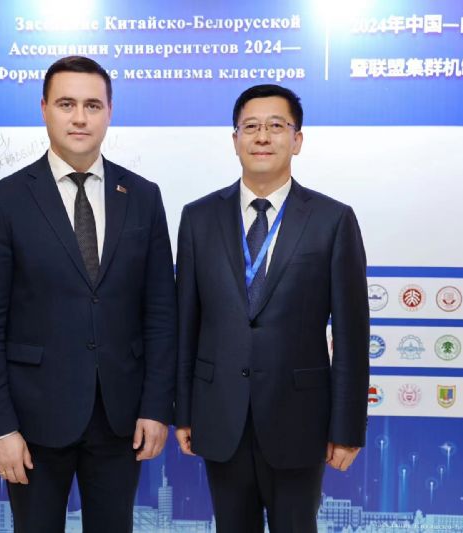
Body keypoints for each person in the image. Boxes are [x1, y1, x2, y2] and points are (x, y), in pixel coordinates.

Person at [0, 56, 176, 532]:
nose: (80, 117)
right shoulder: (5, 200)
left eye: (92, 105)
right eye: (66, 104)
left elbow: (161, 312)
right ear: (44, 109)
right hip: (32, 420)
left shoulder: (143, 196)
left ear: (109, 112)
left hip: (121, 420)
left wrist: (156, 408)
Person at [174, 84, 369, 533]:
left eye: (276, 126)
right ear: (235, 140)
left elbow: (352, 334)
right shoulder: (198, 218)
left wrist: (347, 428)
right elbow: (187, 323)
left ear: (297, 140)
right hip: (220, 415)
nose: (262, 136)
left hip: (300, 418)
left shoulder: (332, 220)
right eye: (251, 127)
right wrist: (183, 411)